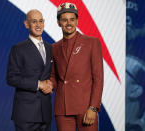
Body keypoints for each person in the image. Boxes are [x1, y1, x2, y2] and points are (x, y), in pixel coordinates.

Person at [50, 2, 104, 131]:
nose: (69, 23)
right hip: (62, 108)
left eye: (72, 19)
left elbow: (98, 78)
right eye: (64, 20)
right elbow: (54, 76)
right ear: (58, 22)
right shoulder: (54, 48)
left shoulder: (92, 42)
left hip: (85, 107)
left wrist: (93, 107)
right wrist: (48, 84)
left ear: (77, 21)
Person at [6, 9, 53, 131]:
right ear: (26, 24)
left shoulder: (50, 48)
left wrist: (51, 84)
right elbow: (11, 78)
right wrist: (39, 84)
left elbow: (52, 74)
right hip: (26, 114)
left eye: (40, 21)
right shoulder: (18, 49)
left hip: (45, 113)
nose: (38, 25)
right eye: (34, 22)